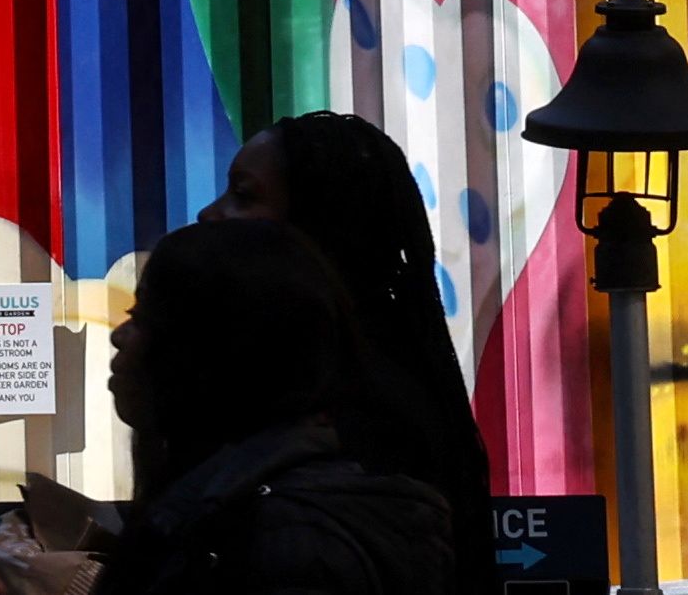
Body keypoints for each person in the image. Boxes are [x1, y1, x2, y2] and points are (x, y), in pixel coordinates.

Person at [89, 217, 451, 595]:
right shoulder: (229, 509)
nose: (118, 335)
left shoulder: (284, 541)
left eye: (142, 315)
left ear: (209, 348)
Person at [217, 114, 501, 595]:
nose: (211, 215)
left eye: (244, 196)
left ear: (321, 227)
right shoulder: (360, 386)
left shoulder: (358, 416)